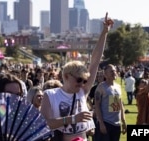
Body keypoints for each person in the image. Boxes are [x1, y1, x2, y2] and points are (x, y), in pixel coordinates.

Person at [40, 12, 113, 141]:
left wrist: (104, 33)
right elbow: (45, 123)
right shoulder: (50, 95)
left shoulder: (82, 91)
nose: (82, 83)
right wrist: (73, 119)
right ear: (66, 76)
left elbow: (95, 61)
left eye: (84, 80)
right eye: (79, 79)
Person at [94, 64, 127, 141]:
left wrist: (123, 121)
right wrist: (101, 123)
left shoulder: (118, 87)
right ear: (105, 74)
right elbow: (97, 106)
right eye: (111, 71)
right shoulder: (101, 87)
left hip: (117, 124)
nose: (114, 72)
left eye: (115, 71)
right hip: (106, 123)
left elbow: (120, 105)